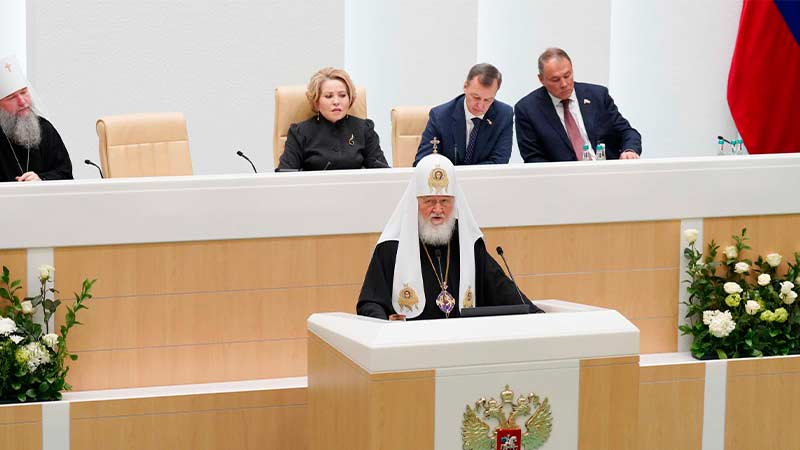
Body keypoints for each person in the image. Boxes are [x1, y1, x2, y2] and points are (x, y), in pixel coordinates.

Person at [357, 151, 542, 320]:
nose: (438, 209)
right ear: (415, 202)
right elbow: (370, 303)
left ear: (455, 202)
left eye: (445, 201)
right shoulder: (392, 247)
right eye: (429, 201)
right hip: (413, 342)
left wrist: (536, 315)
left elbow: (500, 288)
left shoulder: (468, 242)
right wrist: (387, 326)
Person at [515, 48, 641, 162]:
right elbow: (533, 158)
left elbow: (627, 132)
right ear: (541, 79)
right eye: (555, 80)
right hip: (562, 177)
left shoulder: (598, 96)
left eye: (567, 76)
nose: (564, 84)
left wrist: (629, 150)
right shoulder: (527, 109)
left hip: (605, 171)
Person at [277, 67, 389, 171]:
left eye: (342, 95)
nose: (336, 102)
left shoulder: (364, 129)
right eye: (328, 96)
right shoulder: (299, 133)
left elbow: (382, 172)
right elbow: (286, 174)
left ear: (350, 99)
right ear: (316, 101)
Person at [414, 63, 513, 166]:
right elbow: (422, 163)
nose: (480, 105)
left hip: (484, 177)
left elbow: (499, 163)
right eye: (476, 97)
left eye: (487, 100)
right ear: (465, 87)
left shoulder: (504, 116)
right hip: (448, 176)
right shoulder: (440, 117)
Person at [0, 55, 72, 182]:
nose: (22, 102)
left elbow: (65, 174)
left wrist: (41, 179)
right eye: (12, 98)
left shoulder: (45, 129)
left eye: (23, 92)